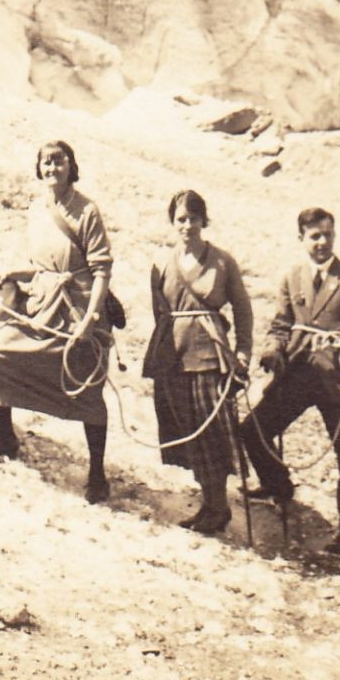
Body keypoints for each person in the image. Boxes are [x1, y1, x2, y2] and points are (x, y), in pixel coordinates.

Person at [0, 141, 115, 503]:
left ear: (71, 166)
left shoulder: (87, 211)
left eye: (59, 161)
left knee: (85, 385)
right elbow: (40, 268)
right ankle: (5, 437)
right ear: (39, 169)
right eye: (46, 163)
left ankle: (97, 473)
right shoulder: (37, 209)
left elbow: (101, 271)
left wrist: (90, 321)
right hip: (42, 303)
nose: (52, 168)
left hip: (78, 307)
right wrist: (8, 273)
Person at [233, 207, 340, 554]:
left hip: (337, 382)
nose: (322, 242)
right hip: (298, 373)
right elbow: (281, 324)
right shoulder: (292, 278)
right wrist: (271, 349)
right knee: (252, 430)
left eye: (328, 234)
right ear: (302, 239)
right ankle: (278, 487)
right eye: (315, 236)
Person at [142, 190, 254, 534]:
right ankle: (209, 504)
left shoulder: (222, 261)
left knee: (214, 432)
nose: (187, 225)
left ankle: (219, 507)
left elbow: (242, 309)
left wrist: (243, 352)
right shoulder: (161, 264)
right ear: (172, 223)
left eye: (193, 218)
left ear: (203, 220)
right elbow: (160, 312)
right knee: (187, 431)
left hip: (210, 356)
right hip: (174, 358)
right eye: (180, 219)